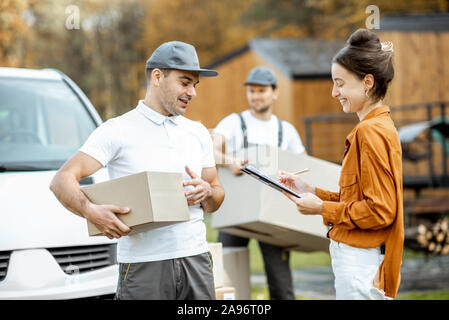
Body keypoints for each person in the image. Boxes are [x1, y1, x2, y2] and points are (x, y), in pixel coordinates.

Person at [50, 41, 225, 300]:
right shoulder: (118, 130)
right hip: (144, 265)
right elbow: (61, 180)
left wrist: (207, 190)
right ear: (157, 76)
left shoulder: (197, 132)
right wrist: (91, 212)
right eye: (185, 82)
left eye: (195, 85)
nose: (192, 92)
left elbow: (216, 196)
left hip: (196, 260)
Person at [278, 29, 403, 300]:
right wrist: (312, 191)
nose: (335, 92)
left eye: (341, 83)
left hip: (361, 262)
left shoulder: (369, 132)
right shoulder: (379, 126)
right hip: (363, 259)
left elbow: (380, 211)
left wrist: (321, 208)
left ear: (367, 81)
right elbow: (360, 199)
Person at [211, 66, 306, 300]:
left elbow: (303, 167)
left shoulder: (287, 131)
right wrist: (228, 161)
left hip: (274, 216)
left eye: (261, 91)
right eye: (252, 91)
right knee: (224, 277)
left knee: (280, 281)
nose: (256, 96)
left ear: (274, 93)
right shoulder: (233, 123)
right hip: (234, 212)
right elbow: (207, 151)